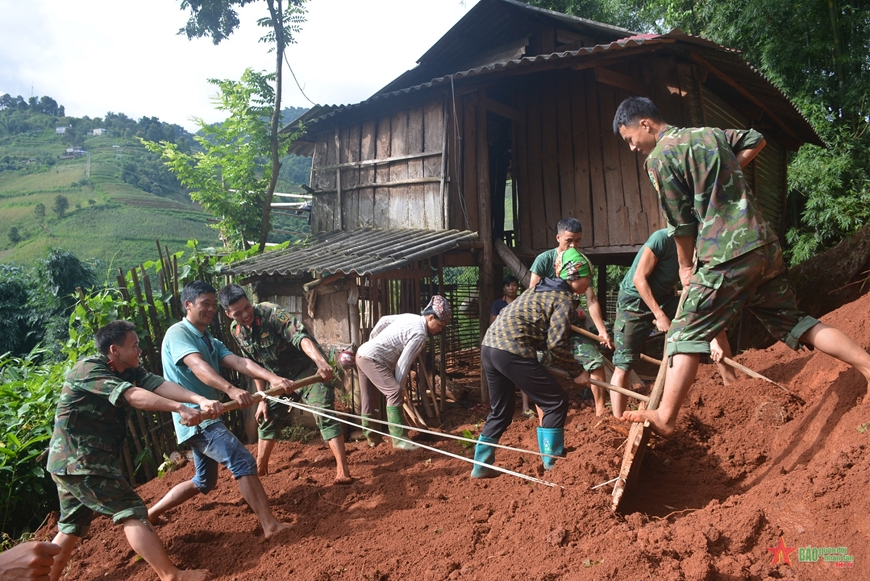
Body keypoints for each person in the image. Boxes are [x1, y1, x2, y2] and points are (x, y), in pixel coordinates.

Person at [612, 96, 870, 436]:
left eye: (630, 139)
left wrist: (685, 267)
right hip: (763, 244)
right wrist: (722, 178)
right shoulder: (708, 133)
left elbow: (680, 224)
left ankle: (666, 417)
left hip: (725, 253)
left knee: (683, 333)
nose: (632, 148)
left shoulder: (660, 157)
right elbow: (755, 139)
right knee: (796, 322)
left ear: (644, 124)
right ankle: (867, 364)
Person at [45, 320, 221, 581]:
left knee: (72, 526)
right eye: (134, 345)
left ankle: (44, 577)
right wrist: (178, 408)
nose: (139, 350)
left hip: (73, 463)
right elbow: (131, 396)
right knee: (131, 510)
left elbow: (159, 385)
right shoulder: (89, 369)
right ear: (114, 349)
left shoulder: (129, 370)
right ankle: (171, 575)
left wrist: (199, 399)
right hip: (80, 460)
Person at [147, 281, 294, 538]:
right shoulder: (178, 333)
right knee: (243, 460)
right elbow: (196, 365)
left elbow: (239, 361)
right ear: (188, 305)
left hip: (206, 417)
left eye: (214, 305)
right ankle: (270, 526)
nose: (211, 309)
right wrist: (231, 390)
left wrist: (272, 378)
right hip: (199, 417)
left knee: (205, 481)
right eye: (205, 304)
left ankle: (150, 514)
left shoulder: (209, 340)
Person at [472, 248, 592, 478]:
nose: (588, 283)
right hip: (511, 349)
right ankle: (552, 465)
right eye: (587, 278)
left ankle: (481, 467)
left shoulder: (539, 288)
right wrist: (577, 371)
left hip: (490, 347)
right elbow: (556, 344)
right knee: (555, 401)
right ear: (575, 277)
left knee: (502, 411)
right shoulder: (564, 300)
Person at [217, 284, 352, 484]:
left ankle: (343, 470)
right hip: (281, 380)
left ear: (249, 301)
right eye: (238, 313)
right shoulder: (236, 331)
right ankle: (260, 467)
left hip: (308, 372)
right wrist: (262, 398)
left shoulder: (271, 313)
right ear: (228, 314)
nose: (245, 314)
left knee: (323, 412)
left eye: (247, 307)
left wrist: (320, 362)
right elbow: (253, 365)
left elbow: (300, 337)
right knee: (267, 416)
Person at [608, 229, 738, 418]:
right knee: (624, 363)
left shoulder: (703, 243)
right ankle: (618, 419)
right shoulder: (661, 239)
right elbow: (639, 278)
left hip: (666, 297)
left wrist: (710, 336)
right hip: (634, 300)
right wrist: (659, 315)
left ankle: (733, 389)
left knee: (713, 322)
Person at [528, 217, 614, 415]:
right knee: (536, 367)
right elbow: (532, 293)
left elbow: (591, 300)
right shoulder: (544, 260)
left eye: (578, 240)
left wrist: (602, 331)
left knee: (596, 362)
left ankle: (601, 411)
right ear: (558, 237)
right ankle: (544, 418)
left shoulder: (581, 263)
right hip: (545, 329)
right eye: (569, 240)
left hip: (571, 327)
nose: (573, 245)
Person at [355, 295, 451, 450]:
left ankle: (373, 440)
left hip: (362, 354)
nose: (440, 329)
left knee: (369, 399)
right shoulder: (420, 335)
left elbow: (384, 320)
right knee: (393, 391)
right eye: (439, 325)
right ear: (431, 317)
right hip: (374, 359)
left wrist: (372, 340)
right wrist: (399, 390)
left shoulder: (410, 317)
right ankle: (400, 440)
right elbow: (403, 363)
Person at [489, 275, 535, 418]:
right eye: (508, 286)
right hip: (503, 344)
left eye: (514, 285)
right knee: (503, 377)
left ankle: (525, 407)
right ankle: (504, 408)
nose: (511, 288)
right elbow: (493, 324)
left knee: (523, 375)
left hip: (521, 342)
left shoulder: (523, 302)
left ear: (517, 287)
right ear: (504, 288)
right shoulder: (497, 304)